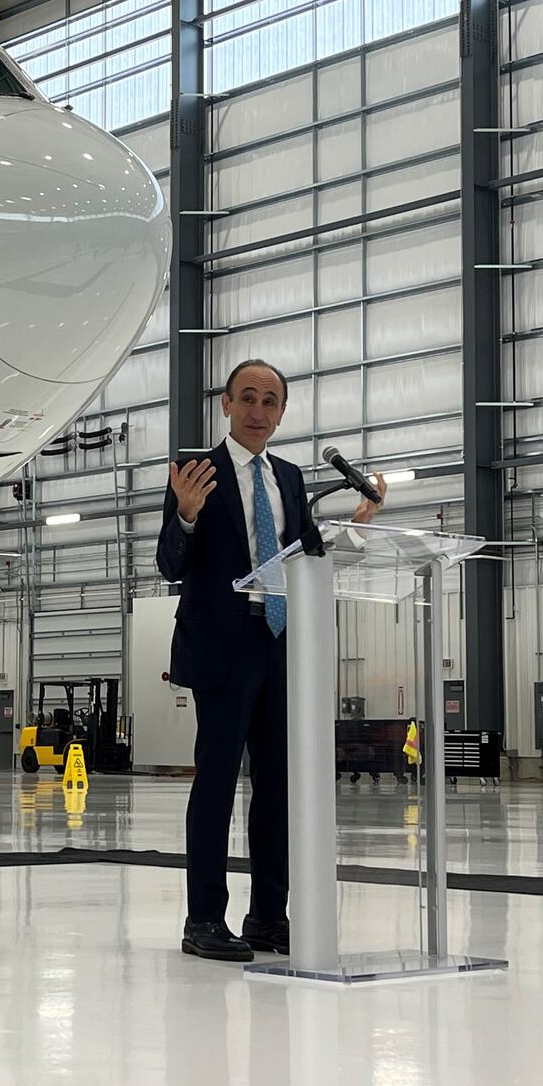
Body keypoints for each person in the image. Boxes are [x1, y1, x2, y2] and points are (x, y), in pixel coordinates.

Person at [156, 359, 386, 962]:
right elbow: (170, 565)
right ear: (226, 404)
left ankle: (266, 917)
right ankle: (203, 920)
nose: (259, 411)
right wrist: (184, 513)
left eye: (271, 402)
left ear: (281, 413)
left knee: (279, 787)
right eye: (248, 398)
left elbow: (307, 558)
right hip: (223, 648)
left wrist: (357, 530)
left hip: (283, 642)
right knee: (216, 786)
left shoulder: (288, 478)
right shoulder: (195, 471)